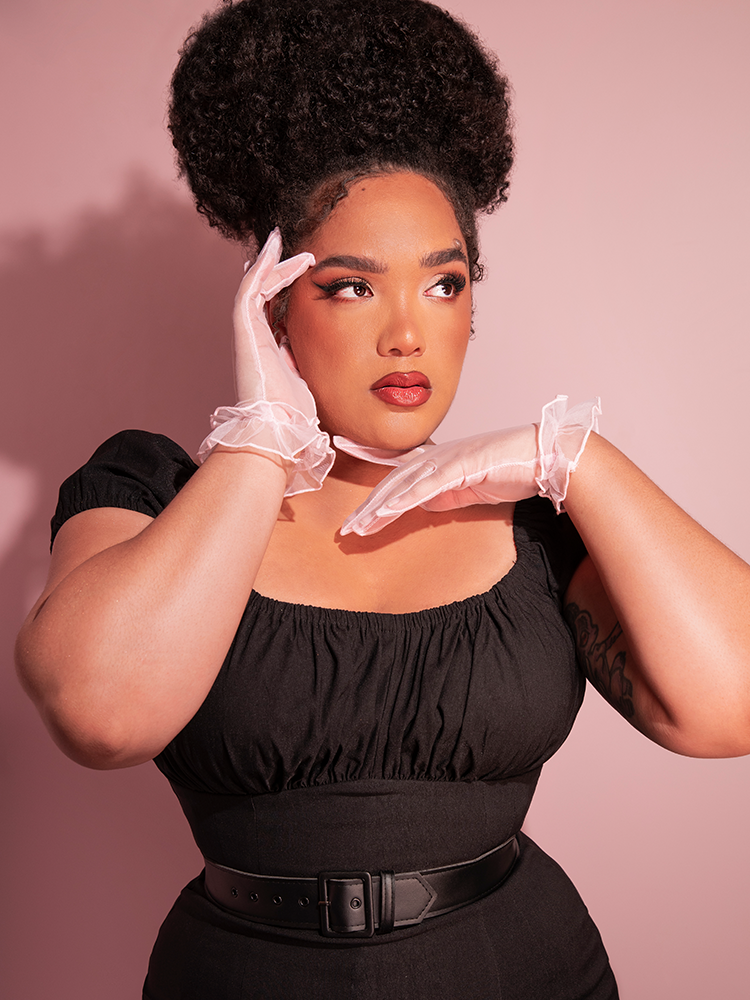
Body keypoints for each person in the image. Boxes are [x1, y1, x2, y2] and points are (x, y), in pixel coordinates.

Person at [14, 1, 750, 997]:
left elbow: (730, 706)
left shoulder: (543, 523)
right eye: (353, 287)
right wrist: (262, 438)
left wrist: (581, 460)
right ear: (274, 304)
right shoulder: (150, 491)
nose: (407, 331)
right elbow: (99, 715)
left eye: (444, 285)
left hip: (524, 969)